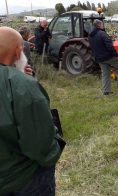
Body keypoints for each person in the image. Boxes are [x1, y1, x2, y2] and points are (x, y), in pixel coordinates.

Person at [0, 26, 63, 195]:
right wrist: (56, 144)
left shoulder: (18, 82)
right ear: (19, 50)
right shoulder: (23, 86)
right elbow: (40, 142)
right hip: (23, 178)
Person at [89, 19, 118, 96]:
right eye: (102, 24)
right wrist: (116, 55)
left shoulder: (90, 35)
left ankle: (106, 91)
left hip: (99, 58)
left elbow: (92, 47)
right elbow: (110, 46)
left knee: (105, 74)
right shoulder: (102, 34)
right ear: (99, 25)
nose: (103, 25)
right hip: (108, 57)